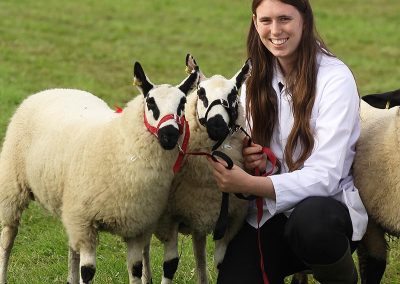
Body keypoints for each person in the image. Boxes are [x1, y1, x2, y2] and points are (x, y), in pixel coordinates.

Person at [207, 0, 368, 283]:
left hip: (325, 215)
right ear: (254, 22)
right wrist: (255, 158)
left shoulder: (335, 78)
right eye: (266, 20)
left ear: (304, 20)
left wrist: (249, 183)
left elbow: (325, 176)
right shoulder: (254, 77)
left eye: (285, 19)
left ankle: (341, 278)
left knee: (312, 223)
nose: (275, 30)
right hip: (268, 216)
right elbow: (254, 143)